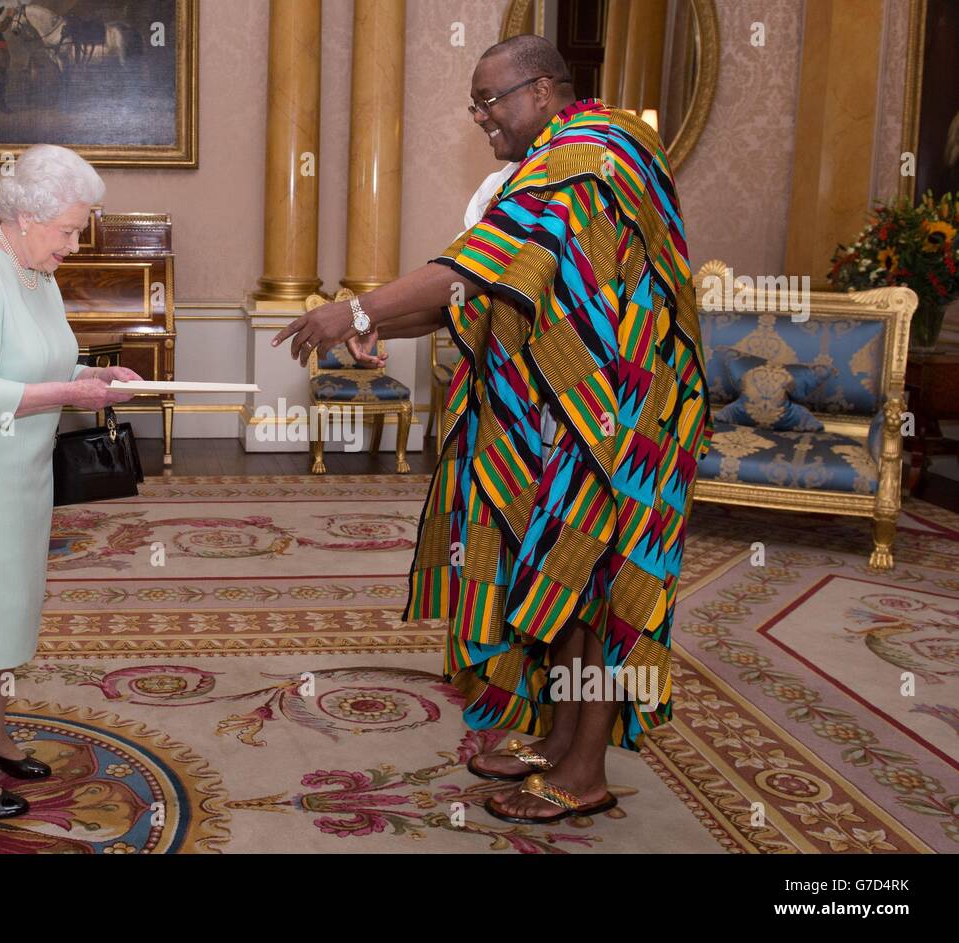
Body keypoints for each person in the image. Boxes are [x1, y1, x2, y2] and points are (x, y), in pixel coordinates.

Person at [272, 35, 712, 825]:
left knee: (603, 591)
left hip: (625, 419)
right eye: (474, 105)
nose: (481, 118)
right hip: (578, 410)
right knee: (568, 581)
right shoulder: (562, 162)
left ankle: (584, 770)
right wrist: (387, 325)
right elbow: (499, 289)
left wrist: (357, 310)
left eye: (490, 101)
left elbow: (478, 267)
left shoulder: (586, 155)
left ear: (542, 90)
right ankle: (559, 736)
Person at [0, 144, 139, 818]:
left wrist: (93, 383)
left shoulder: (34, 268)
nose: (74, 243)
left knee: (11, 594)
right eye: (68, 229)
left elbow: (43, 361)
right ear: (26, 215)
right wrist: (70, 390)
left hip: (19, 457)